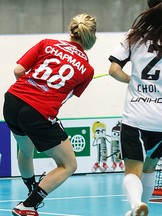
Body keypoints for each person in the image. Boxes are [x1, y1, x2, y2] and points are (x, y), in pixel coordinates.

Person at [3, 13, 97, 216]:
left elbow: (18, 70)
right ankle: (28, 205)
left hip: (12, 100)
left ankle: (31, 192)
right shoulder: (87, 70)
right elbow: (63, 95)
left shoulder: (47, 43)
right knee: (69, 164)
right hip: (37, 112)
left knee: (25, 149)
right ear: (92, 36)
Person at [108, 0, 162, 215]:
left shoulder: (134, 36)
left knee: (132, 170)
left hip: (136, 117)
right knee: (149, 168)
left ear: (149, 8)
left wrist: (132, 80)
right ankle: (138, 208)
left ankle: (137, 205)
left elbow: (113, 70)